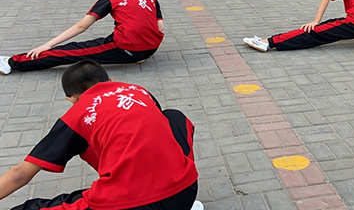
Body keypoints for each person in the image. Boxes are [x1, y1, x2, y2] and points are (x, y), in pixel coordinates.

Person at [0, 60, 203, 210]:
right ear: (111, 80)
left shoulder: (77, 115)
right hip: (185, 191)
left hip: (129, 205)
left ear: (71, 99)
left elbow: (20, 174)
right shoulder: (137, 91)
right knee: (174, 118)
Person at [1, 0, 162, 74]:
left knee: (69, 51)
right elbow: (160, 27)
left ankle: (12, 63)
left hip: (127, 48)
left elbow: (81, 26)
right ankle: (136, 56)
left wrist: (47, 45)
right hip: (151, 49)